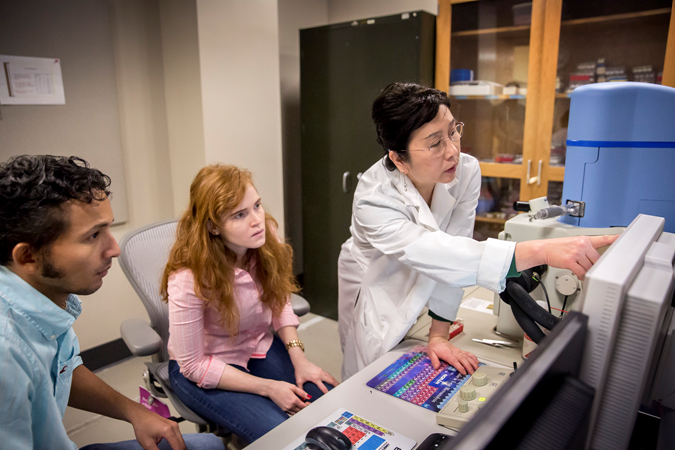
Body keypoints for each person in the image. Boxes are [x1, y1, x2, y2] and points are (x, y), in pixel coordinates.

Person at [337, 83, 618, 380]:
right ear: (399, 159)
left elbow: (455, 243)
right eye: (435, 143)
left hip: (435, 266)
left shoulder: (466, 170)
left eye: (452, 131)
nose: (453, 151)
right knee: (368, 365)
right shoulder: (374, 197)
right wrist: (541, 250)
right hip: (375, 277)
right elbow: (434, 252)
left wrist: (439, 336)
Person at [0, 155, 225, 450]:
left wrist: (135, 412)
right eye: (93, 235)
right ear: (28, 257)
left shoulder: (44, 300)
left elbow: (62, 368)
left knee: (208, 445)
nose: (114, 248)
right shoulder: (6, 352)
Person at [162, 164, 339, 444]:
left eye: (256, 205)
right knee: (282, 434)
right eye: (240, 215)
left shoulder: (264, 238)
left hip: (256, 347)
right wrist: (269, 388)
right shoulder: (189, 277)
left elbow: (279, 300)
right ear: (213, 226)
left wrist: (300, 360)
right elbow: (193, 365)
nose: (257, 220)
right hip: (206, 368)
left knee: (330, 402)